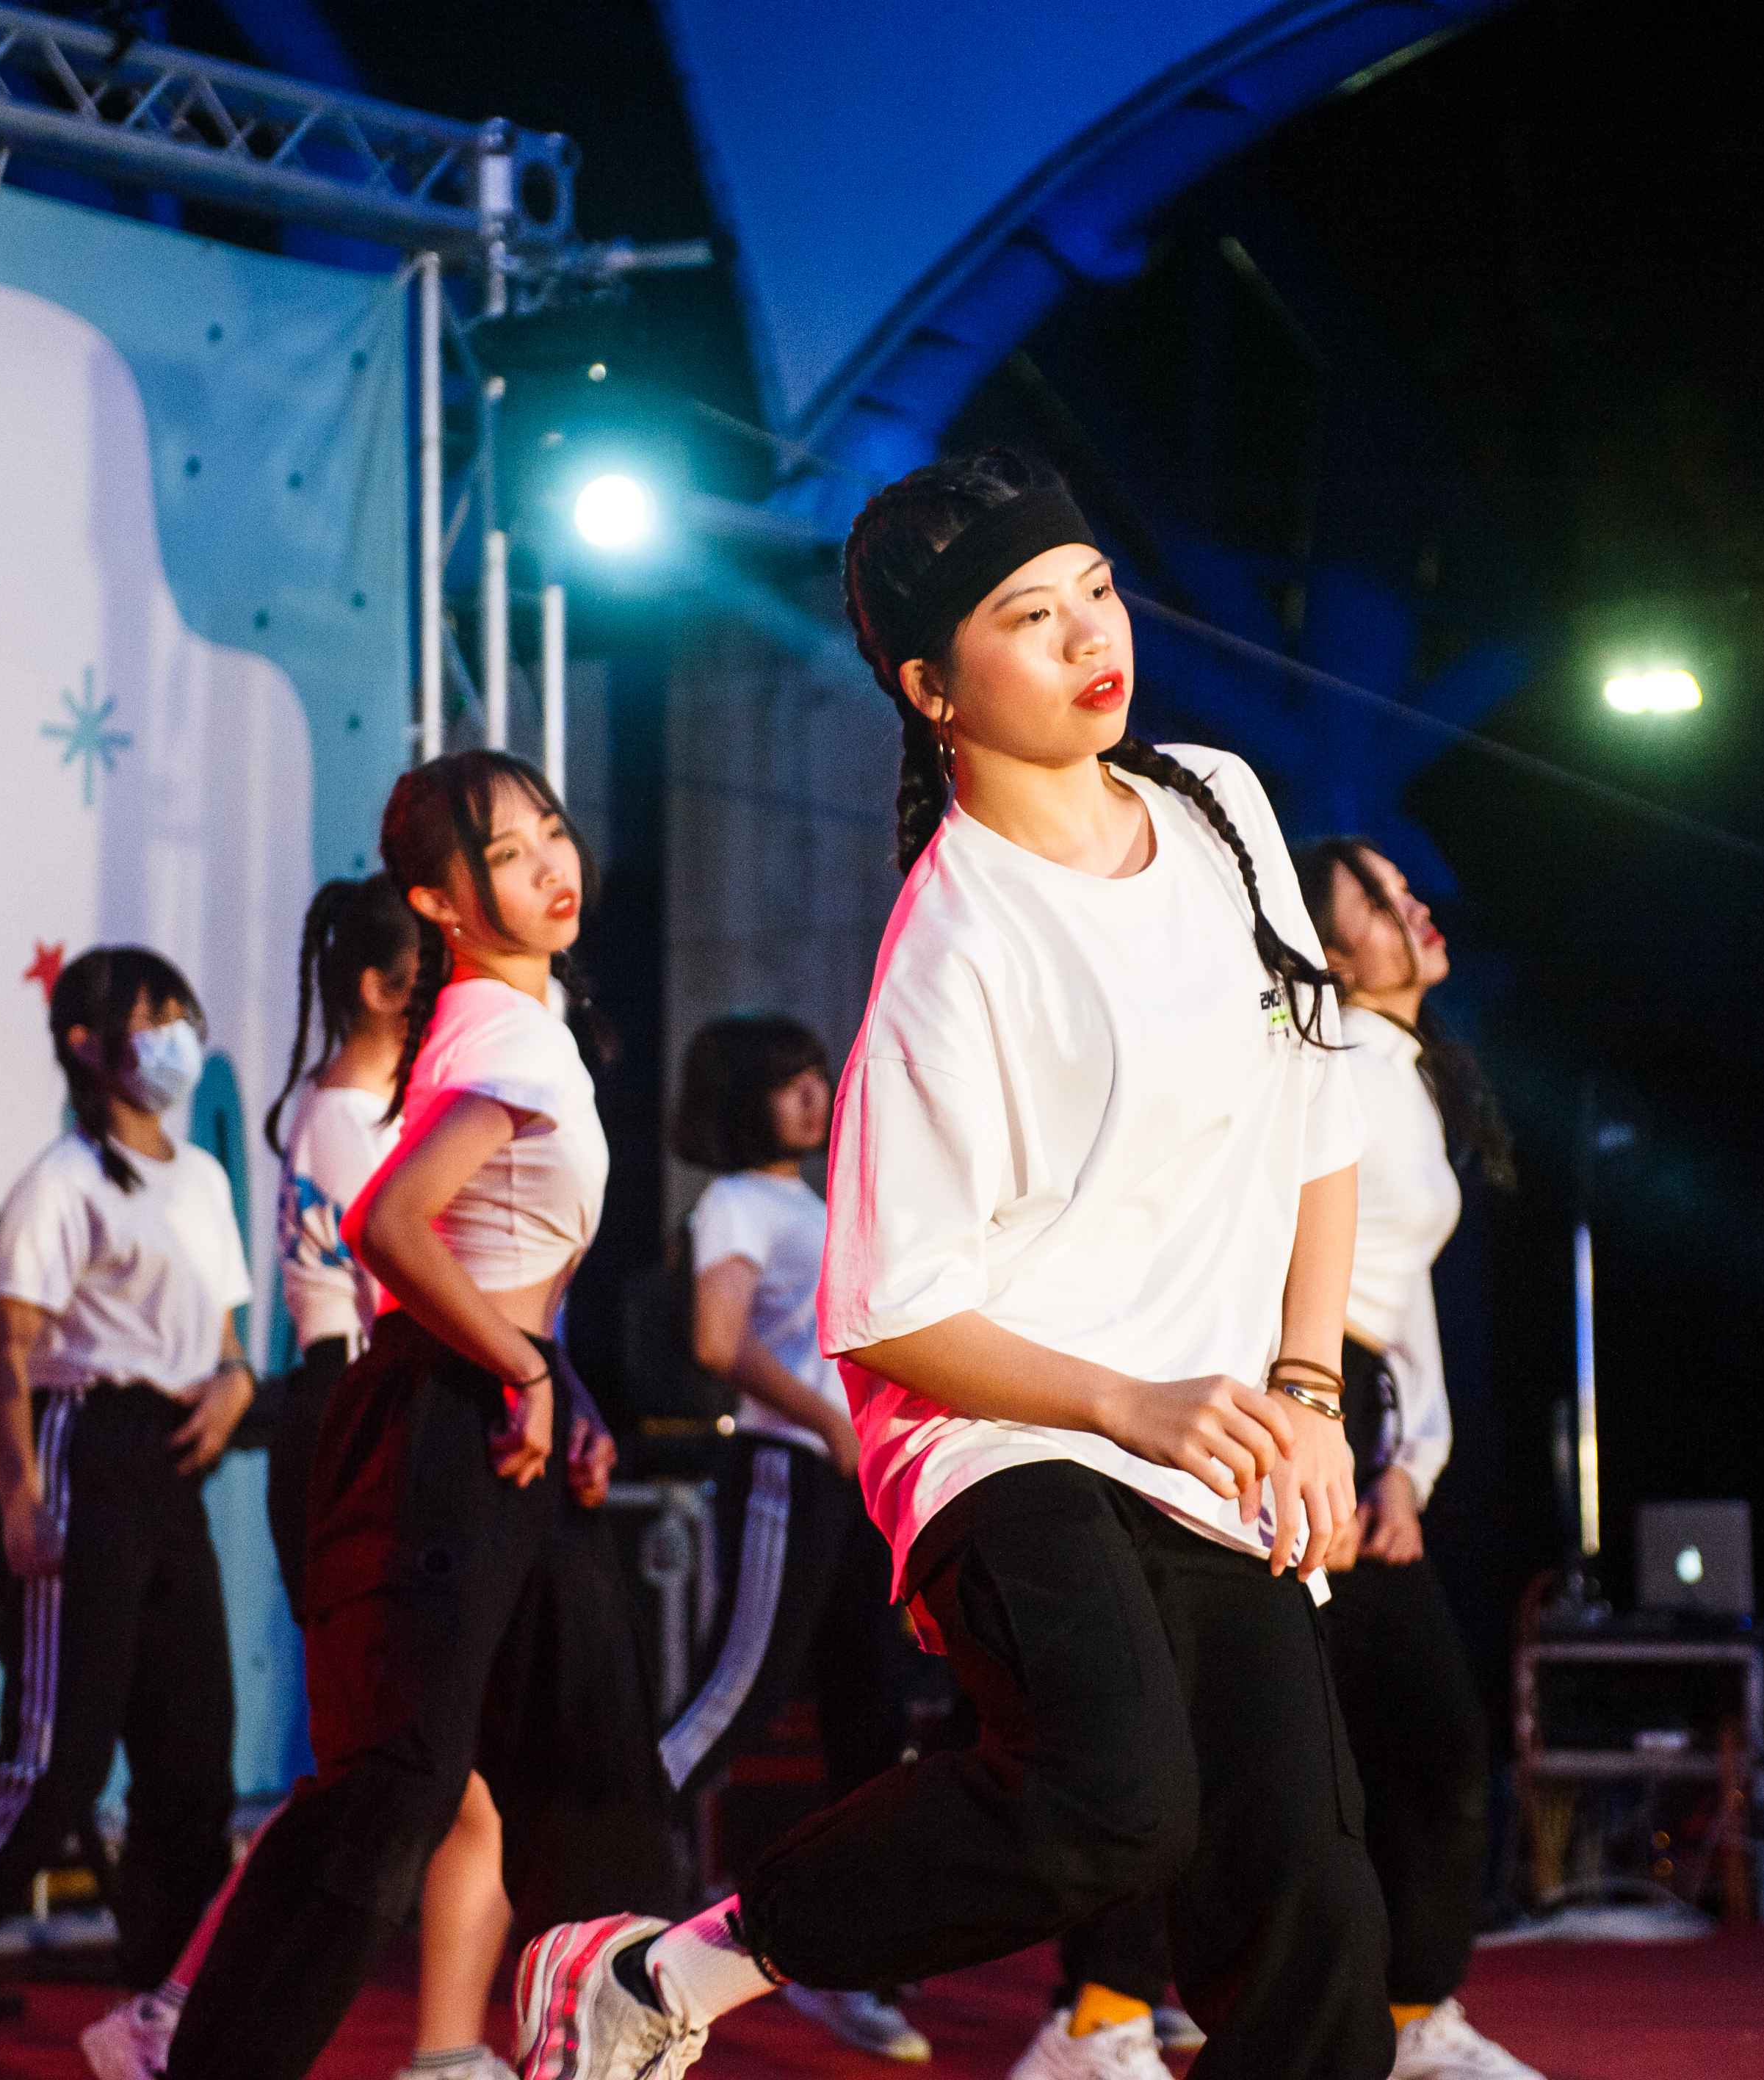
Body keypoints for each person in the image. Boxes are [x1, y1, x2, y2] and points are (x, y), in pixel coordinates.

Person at [514, 449, 1384, 2080]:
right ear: (932, 688)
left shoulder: (1217, 806)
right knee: (1115, 1799)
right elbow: (892, 1313)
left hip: (1207, 1435)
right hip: (1005, 1432)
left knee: (1312, 1918)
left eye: (1095, 592)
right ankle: (662, 1972)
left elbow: (1318, 1110)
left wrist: (1309, 1386)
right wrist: (1131, 1401)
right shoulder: (955, 943)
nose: (1090, 637)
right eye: (1029, 617)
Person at [164, 752, 680, 2080]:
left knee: (591, 1781)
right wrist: (525, 1370)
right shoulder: (500, 1033)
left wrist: (552, 1381)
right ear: (439, 903)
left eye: (551, 830)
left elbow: (493, 1250)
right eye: (507, 853)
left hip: (491, 1411)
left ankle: (581, 2045)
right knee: (398, 1791)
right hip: (443, 1422)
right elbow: (389, 1226)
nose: (552, 863)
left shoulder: (513, 1021)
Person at [1033, 836, 1531, 2080]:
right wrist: (1297, 1418)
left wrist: (1411, 1464)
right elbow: (1255, 1236)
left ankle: (1410, 2015)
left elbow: (1397, 1289)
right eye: (1378, 897)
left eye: (1408, 887)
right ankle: (1098, 2016)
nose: (1414, 906)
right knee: (1214, 1728)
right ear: (1328, 945)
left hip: (1346, 1411)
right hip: (1266, 1390)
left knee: (1416, 1738)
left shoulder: (1402, 1070)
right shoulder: (1319, 1052)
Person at [80, 878, 520, 2080]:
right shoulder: (350, 1117)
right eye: (435, 977)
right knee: (390, 1778)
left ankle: (435, 2049)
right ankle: (183, 2008)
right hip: (356, 1417)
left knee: (441, 1782)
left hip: (375, 1416)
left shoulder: (360, 1110)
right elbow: (407, 1272)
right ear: (382, 989)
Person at [0, 948, 256, 2080]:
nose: (175, 1034)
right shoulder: (62, 1183)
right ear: (86, 1043)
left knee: (192, 1766)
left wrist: (235, 1382)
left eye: (182, 1011)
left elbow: (228, 1340)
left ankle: (162, 2014)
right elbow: (7, 1359)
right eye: (151, 1015)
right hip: (86, 1453)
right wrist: (22, 1497)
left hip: (173, 1468)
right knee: (54, 1766)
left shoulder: (202, 1181)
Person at [654, 1012, 938, 2064]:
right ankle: (604, 1900)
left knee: (873, 1716)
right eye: (789, 1081)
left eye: (819, 1075)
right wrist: (825, 1422)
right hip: (787, 1470)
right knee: (736, 1697)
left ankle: (852, 1962)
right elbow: (715, 1340)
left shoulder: (811, 1203)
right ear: (743, 1099)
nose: (815, 1095)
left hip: (848, 1483)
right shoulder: (737, 1201)